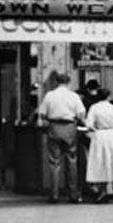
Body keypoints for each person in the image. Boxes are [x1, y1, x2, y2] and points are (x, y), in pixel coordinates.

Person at [36, 71, 86, 203]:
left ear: (56, 82)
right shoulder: (74, 96)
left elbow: (41, 114)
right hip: (70, 128)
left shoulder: (49, 95)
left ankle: (54, 195)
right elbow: (81, 115)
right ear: (69, 82)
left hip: (54, 128)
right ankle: (73, 195)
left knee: (54, 163)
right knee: (72, 161)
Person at [84, 88, 113, 202]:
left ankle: (102, 190)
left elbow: (89, 124)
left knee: (101, 161)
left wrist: (95, 129)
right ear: (108, 96)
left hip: (100, 135)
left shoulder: (94, 108)